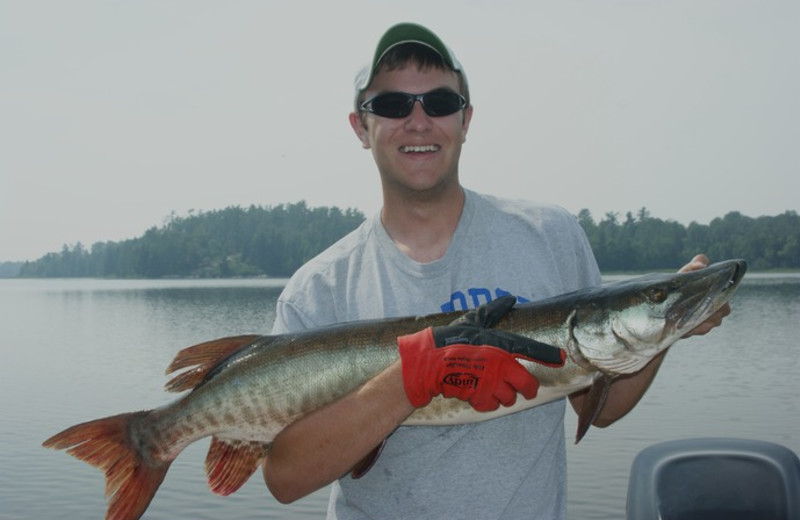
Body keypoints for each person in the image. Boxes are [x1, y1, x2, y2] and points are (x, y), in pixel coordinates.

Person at [263, 22, 729, 520]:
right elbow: (285, 478)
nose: (418, 121)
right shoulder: (318, 288)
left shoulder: (550, 236)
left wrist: (666, 326)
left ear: (466, 120)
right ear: (360, 126)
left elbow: (602, 402)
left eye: (440, 103)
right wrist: (411, 378)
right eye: (393, 105)